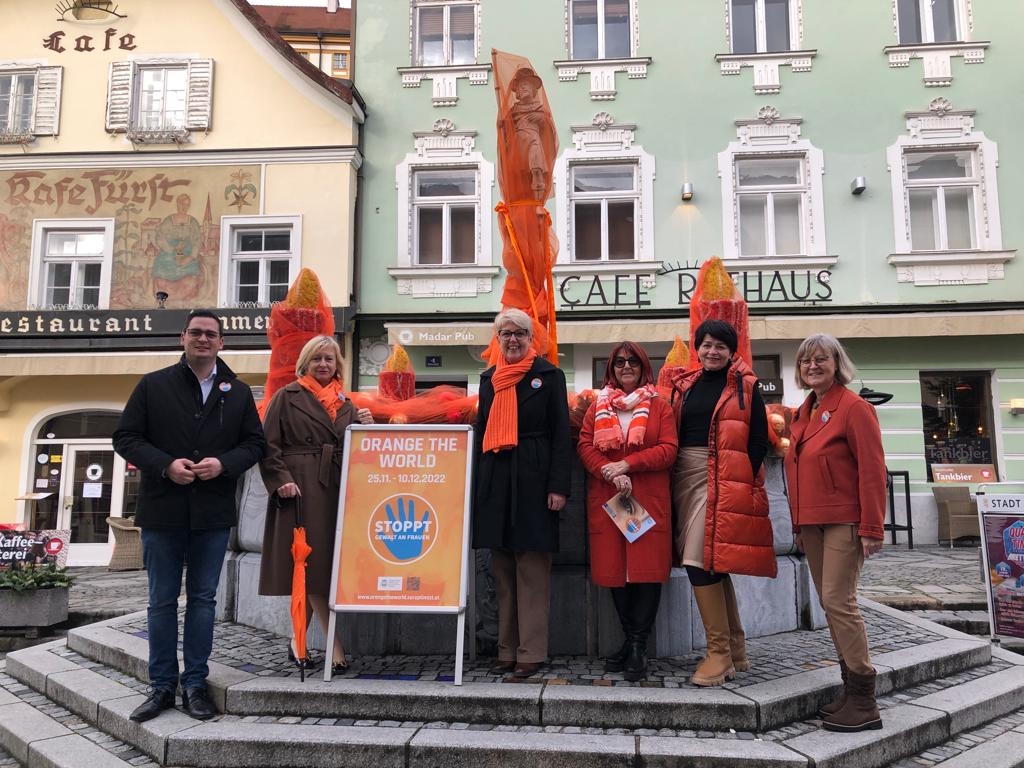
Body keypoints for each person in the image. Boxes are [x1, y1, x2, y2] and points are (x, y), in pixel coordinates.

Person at [113, 309, 265, 722]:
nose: (203, 339)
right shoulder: (154, 385)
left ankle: (195, 684)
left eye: (211, 334)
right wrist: (165, 464)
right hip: (163, 509)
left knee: (202, 600)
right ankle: (162, 686)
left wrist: (224, 464)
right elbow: (125, 437)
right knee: (161, 601)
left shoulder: (237, 393)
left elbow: (255, 444)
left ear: (221, 343)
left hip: (212, 513)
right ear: (183, 337)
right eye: (196, 332)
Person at [784, 333, 886, 733]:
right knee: (831, 604)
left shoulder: (854, 407)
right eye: (806, 361)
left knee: (838, 600)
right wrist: (795, 522)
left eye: (821, 359)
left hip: (844, 518)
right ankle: (850, 689)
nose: (813, 366)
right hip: (811, 521)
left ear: (836, 363)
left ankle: (865, 699)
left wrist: (872, 526)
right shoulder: (804, 411)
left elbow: (873, 471)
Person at [669, 318, 774, 687]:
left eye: (720, 346)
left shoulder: (746, 387)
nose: (712, 351)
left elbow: (760, 439)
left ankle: (718, 654)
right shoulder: (684, 386)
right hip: (686, 474)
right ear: (697, 348)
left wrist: (741, 478)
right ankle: (736, 646)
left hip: (724, 476)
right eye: (706, 345)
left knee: (698, 561)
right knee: (712, 561)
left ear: (731, 352)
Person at [258, 335, 372, 674]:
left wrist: (367, 427)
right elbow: (266, 446)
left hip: (335, 490)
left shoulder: (345, 403)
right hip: (300, 489)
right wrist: (281, 482)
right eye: (317, 358)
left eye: (330, 359)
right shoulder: (286, 396)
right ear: (305, 363)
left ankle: (298, 642)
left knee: (318, 567)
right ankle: (335, 646)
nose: (324, 364)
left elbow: (359, 452)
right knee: (310, 565)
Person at [472, 308, 571, 678]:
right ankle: (507, 648)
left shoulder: (549, 376)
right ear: (497, 340)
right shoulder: (489, 379)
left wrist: (558, 486)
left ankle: (531, 650)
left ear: (532, 339)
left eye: (520, 334)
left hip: (534, 474)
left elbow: (562, 434)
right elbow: (483, 431)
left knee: (531, 568)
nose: (512, 340)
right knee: (502, 569)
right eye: (506, 334)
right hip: (497, 476)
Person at [577, 342, 677, 681]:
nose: (626, 366)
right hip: (611, 500)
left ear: (644, 366)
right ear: (611, 369)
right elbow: (585, 446)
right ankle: (629, 639)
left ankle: (637, 644)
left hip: (646, 499)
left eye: (633, 361)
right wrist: (607, 470)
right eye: (619, 362)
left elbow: (668, 450)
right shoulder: (597, 407)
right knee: (614, 573)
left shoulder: (659, 405)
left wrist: (627, 463)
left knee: (646, 572)